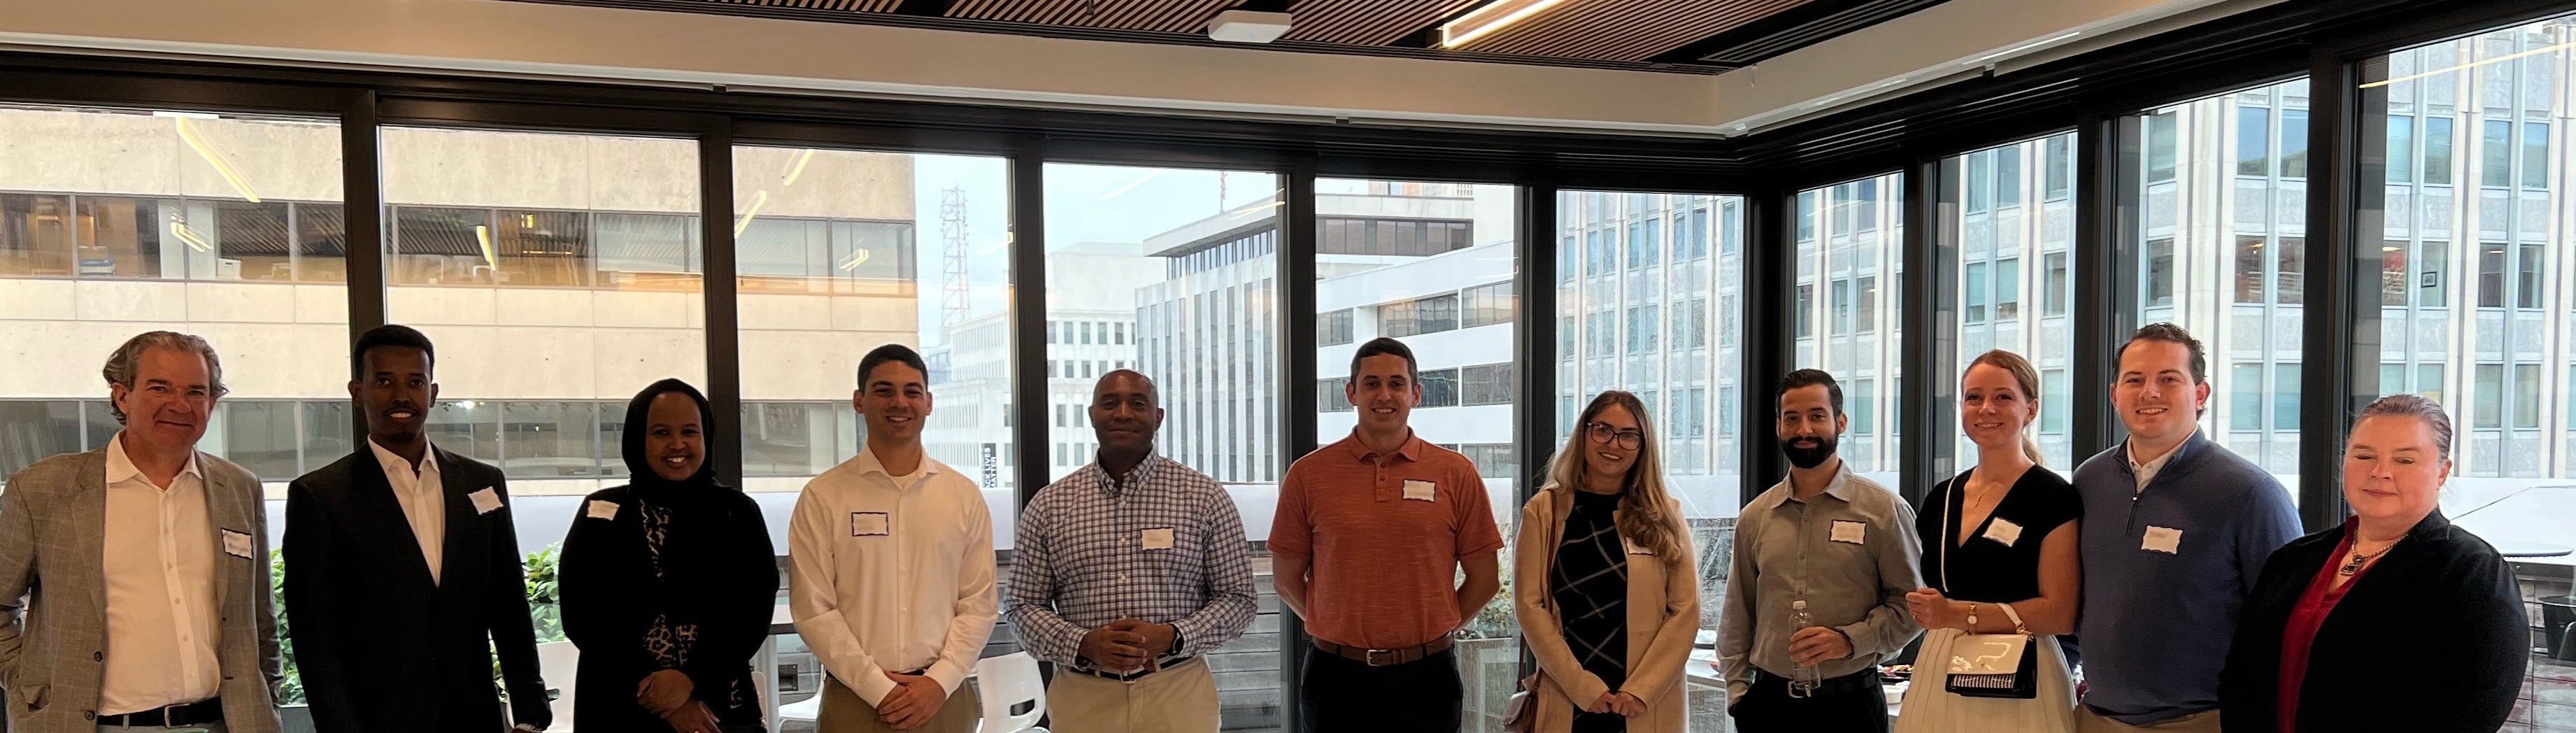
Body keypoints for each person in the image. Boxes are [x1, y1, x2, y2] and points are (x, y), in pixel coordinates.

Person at [0, 332, 283, 733]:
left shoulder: (240, 488)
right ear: (122, 396)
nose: (179, 405)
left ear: (212, 403)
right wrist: (29, 684)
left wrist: (268, 696)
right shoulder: (44, 490)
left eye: (196, 392)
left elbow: (261, 619)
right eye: (159, 388)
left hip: (224, 724)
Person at [283, 324, 552, 733]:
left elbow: (508, 602)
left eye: (415, 382)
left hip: (475, 715)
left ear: (433, 392)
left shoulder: (481, 483)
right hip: (380, 719)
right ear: (358, 391)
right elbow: (315, 637)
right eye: (384, 381)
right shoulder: (321, 496)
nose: (401, 396)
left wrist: (531, 712)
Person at [2217, 394, 2525, 733]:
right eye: (2364, 455)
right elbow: (2241, 678)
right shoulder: (2293, 560)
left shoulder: (2473, 574)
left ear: (2442, 471)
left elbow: (2474, 711)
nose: (2380, 472)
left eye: (2405, 460)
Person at [2070, 323, 2299, 732]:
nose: (2149, 392)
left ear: (2200, 394)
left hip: (2203, 721)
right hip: (2096, 718)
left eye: (2168, 379)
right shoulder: (2090, 481)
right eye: (2134, 380)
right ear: (2114, 394)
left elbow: (2286, 626)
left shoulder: (2251, 493)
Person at [1270, 336, 1505, 733]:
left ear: (1416, 394)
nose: (1384, 394)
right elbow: (1285, 577)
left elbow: (1484, 580)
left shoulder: (1456, 473)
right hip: (1335, 678)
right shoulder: (1308, 474)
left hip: (1427, 678)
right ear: (1351, 393)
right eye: (1371, 383)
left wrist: (1436, 629)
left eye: (1396, 383)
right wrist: (1332, 624)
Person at [1003, 370, 1258, 733]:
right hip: (1083, 698)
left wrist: (1173, 635)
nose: (1123, 413)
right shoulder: (1050, 505)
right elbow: (1021, 606)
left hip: (1178, 693)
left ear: (1158, 416)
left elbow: (1239, 599)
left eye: (1138, 404)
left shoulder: (1205, 497)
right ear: (1092, 414)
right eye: (1110, 403)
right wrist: (1084, 643)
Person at [790, 344, 997, 733]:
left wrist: (939, 681)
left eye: (912, 391)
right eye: (884, 390)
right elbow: (814, 609)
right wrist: (878, 688)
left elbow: (979, 603)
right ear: (859, 401)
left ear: (929, 403)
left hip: (944, 700)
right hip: (855, 700)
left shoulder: (963, 496)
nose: (900, 402)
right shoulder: (824, 496)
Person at [560, 379, 780, 733]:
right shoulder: (601, 511)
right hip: (620, 706)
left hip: (720, 708)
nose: (677, 444)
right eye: (661, 432)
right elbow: (583, 615)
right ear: (637, 439)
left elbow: (752, 613)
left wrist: (691, 681)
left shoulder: (737, 512)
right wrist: (666, 700)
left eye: (689, 431)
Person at [1718, 368, 1923, 733]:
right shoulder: (1755, 517)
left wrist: (1849, 640)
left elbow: (1912, 607)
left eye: (1817, 416)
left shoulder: (1882, 511)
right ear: (1778, 426)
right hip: (1767, 707)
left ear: (1840, 422)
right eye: (1792, 418)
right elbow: (1738, 611)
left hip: (1850, 707)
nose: (1804, 430)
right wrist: (1737, 694)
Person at [1895, 350, 2081, 733]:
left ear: (2031, 409)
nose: (1986, 408)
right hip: (1941, 669)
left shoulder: (2053, 497)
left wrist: (1954, 614)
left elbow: (2059, 613)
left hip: (2021, 676)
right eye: (1973, 397)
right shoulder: (1942, 498)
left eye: (2003, 397)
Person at [1513, 390, 1700, 733]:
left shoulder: (1666, 515)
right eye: (1603, 430)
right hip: (1568, 690)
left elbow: (1685, 610)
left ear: (1643, 446)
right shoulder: (1543, 512)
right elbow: (1529, 605)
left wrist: (1641, 690)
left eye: (1629, 435)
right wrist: (1582, 686)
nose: (1613, 444)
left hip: (1645, 699)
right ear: (1584, 432)